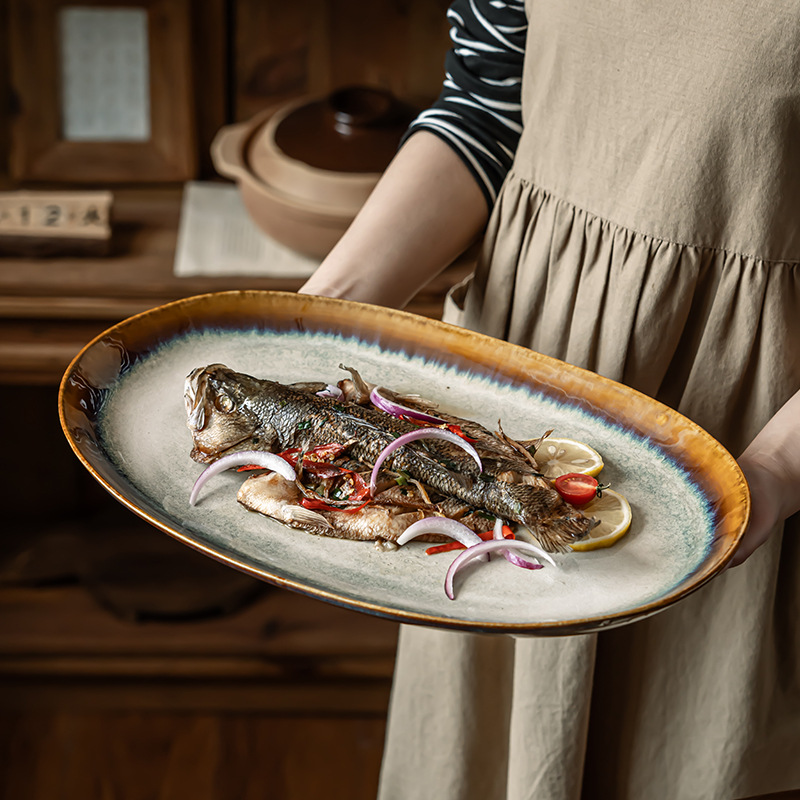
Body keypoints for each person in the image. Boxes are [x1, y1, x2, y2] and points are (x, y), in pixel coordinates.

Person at [300, 1, 800, 797]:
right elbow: (485, 110)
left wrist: (773, 469)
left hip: (734, 422)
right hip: (508, 400)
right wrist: (319, 314)